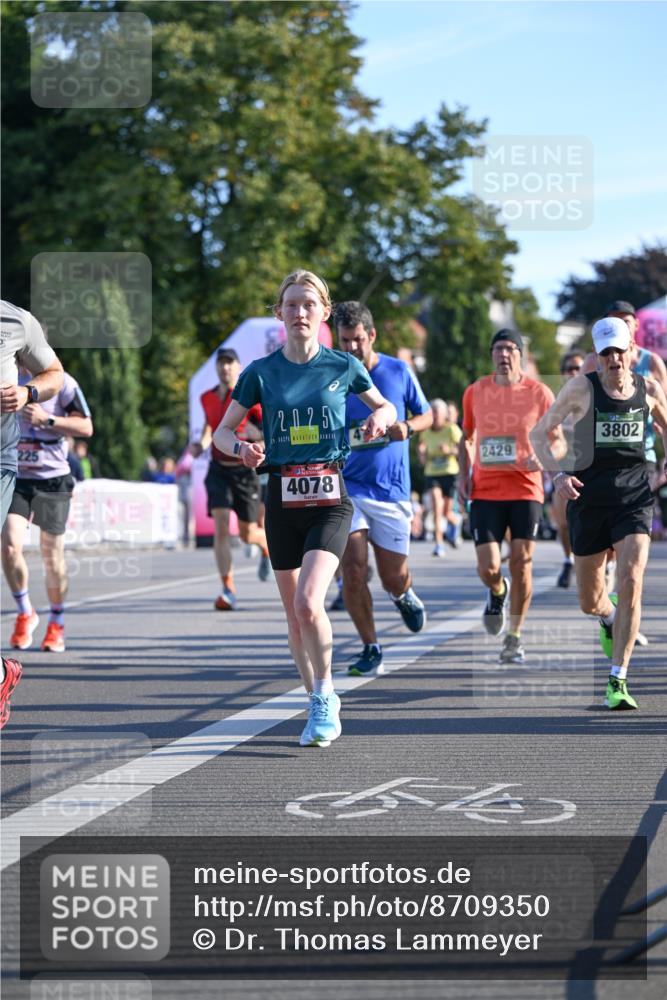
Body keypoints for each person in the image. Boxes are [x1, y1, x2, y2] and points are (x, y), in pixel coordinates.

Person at [213, 270, 396, 747]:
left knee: (309, 602)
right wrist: (241, 448)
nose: (300, 313)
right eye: (291, 305)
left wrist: (380, 415)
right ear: (280, 313)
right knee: (293, 614)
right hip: (282, 498)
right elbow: (221, 433)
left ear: (324, 313)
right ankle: (313, 691)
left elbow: (388, 408)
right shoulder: (260, 373)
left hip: (331, 499)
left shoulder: (342, 366)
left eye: (308, 305)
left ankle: (325, 696)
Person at [531, 317, 667, 710]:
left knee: (631, 578)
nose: (613, 359)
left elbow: (664, 425)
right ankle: (608, 618)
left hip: (634, 497)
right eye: (604, 352)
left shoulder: (650, 389)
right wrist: (556, 476)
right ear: (595, 355)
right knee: (590, 601)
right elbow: (540, 433)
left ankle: (617, 679)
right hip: (588, 500)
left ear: (630, 350)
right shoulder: (580, 389)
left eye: (618, 351)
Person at [334, 301, 432, 676]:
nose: (352, 348)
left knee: (392, 576)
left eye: (358, 340)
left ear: (371, 336)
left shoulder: (397, 370)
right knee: (354, 569)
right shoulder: (334, 376)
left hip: (391, 491)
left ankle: (403, 594)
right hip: (349, 488)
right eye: (345, 341)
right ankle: (370, 646)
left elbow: (426, 414)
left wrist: (408, 426)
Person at [458, 329, 562, 664]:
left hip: (525, 489)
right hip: (486, 489)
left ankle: (514, 637)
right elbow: (467, 437)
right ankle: (497, 590)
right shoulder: (475, 391)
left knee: (522, 562)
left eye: (510, 349)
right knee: (488, 567)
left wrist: (543, 456)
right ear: (492, 354)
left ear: (521, 353)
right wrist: (463, 476)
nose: (503, 355)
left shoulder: (539, 393)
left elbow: (557, 440)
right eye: (498, 349)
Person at [0, 300, 64, 727]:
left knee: (36, 549)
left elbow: (54, 374)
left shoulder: (15, 320)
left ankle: (48, 616)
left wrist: (27, 391)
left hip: (2, 460)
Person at [2, 367, 93, 654]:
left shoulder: (63, 382)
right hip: (17, 477)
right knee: (9, 547)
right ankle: (25, 610)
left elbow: (86, 428)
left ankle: (57, 620)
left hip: (53, 478)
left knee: (51, 553)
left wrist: (47, 420)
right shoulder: (7, 376)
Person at [190, 346, 272, 607]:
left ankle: (266, 546)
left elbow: (265, 432)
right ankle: (228, 588)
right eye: (221, 363)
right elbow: (209, 429)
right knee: (222, 526)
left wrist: (255, 438)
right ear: (217, 368)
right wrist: (200, 444)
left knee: (248, 534)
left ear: (238, 367)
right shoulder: (207, 398)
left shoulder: (250, 399)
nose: (225, 368)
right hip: (218, 468)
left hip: (244, 470)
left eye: (230, 363)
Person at [551, 350, 585, 587]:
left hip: (593, 466)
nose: (573, 373)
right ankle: (567, 559)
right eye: (569, 369)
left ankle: (609, 564)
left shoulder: (597, 396)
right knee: (562, 522)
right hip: (565, 466)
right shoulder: (556, 401)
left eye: (578, 368)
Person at [419, 398, 463, 556]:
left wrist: (448, 450)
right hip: (432, 473)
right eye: (434, 412)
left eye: (438, 412)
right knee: (437, 508)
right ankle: (439, 544)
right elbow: (422, 455)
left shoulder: (452, 429)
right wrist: (422, 453)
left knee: (446, 513)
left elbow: (462, 451)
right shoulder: (426, 431)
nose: (436, 415)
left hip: (450, 473)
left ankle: (456, 521)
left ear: (445, 414)